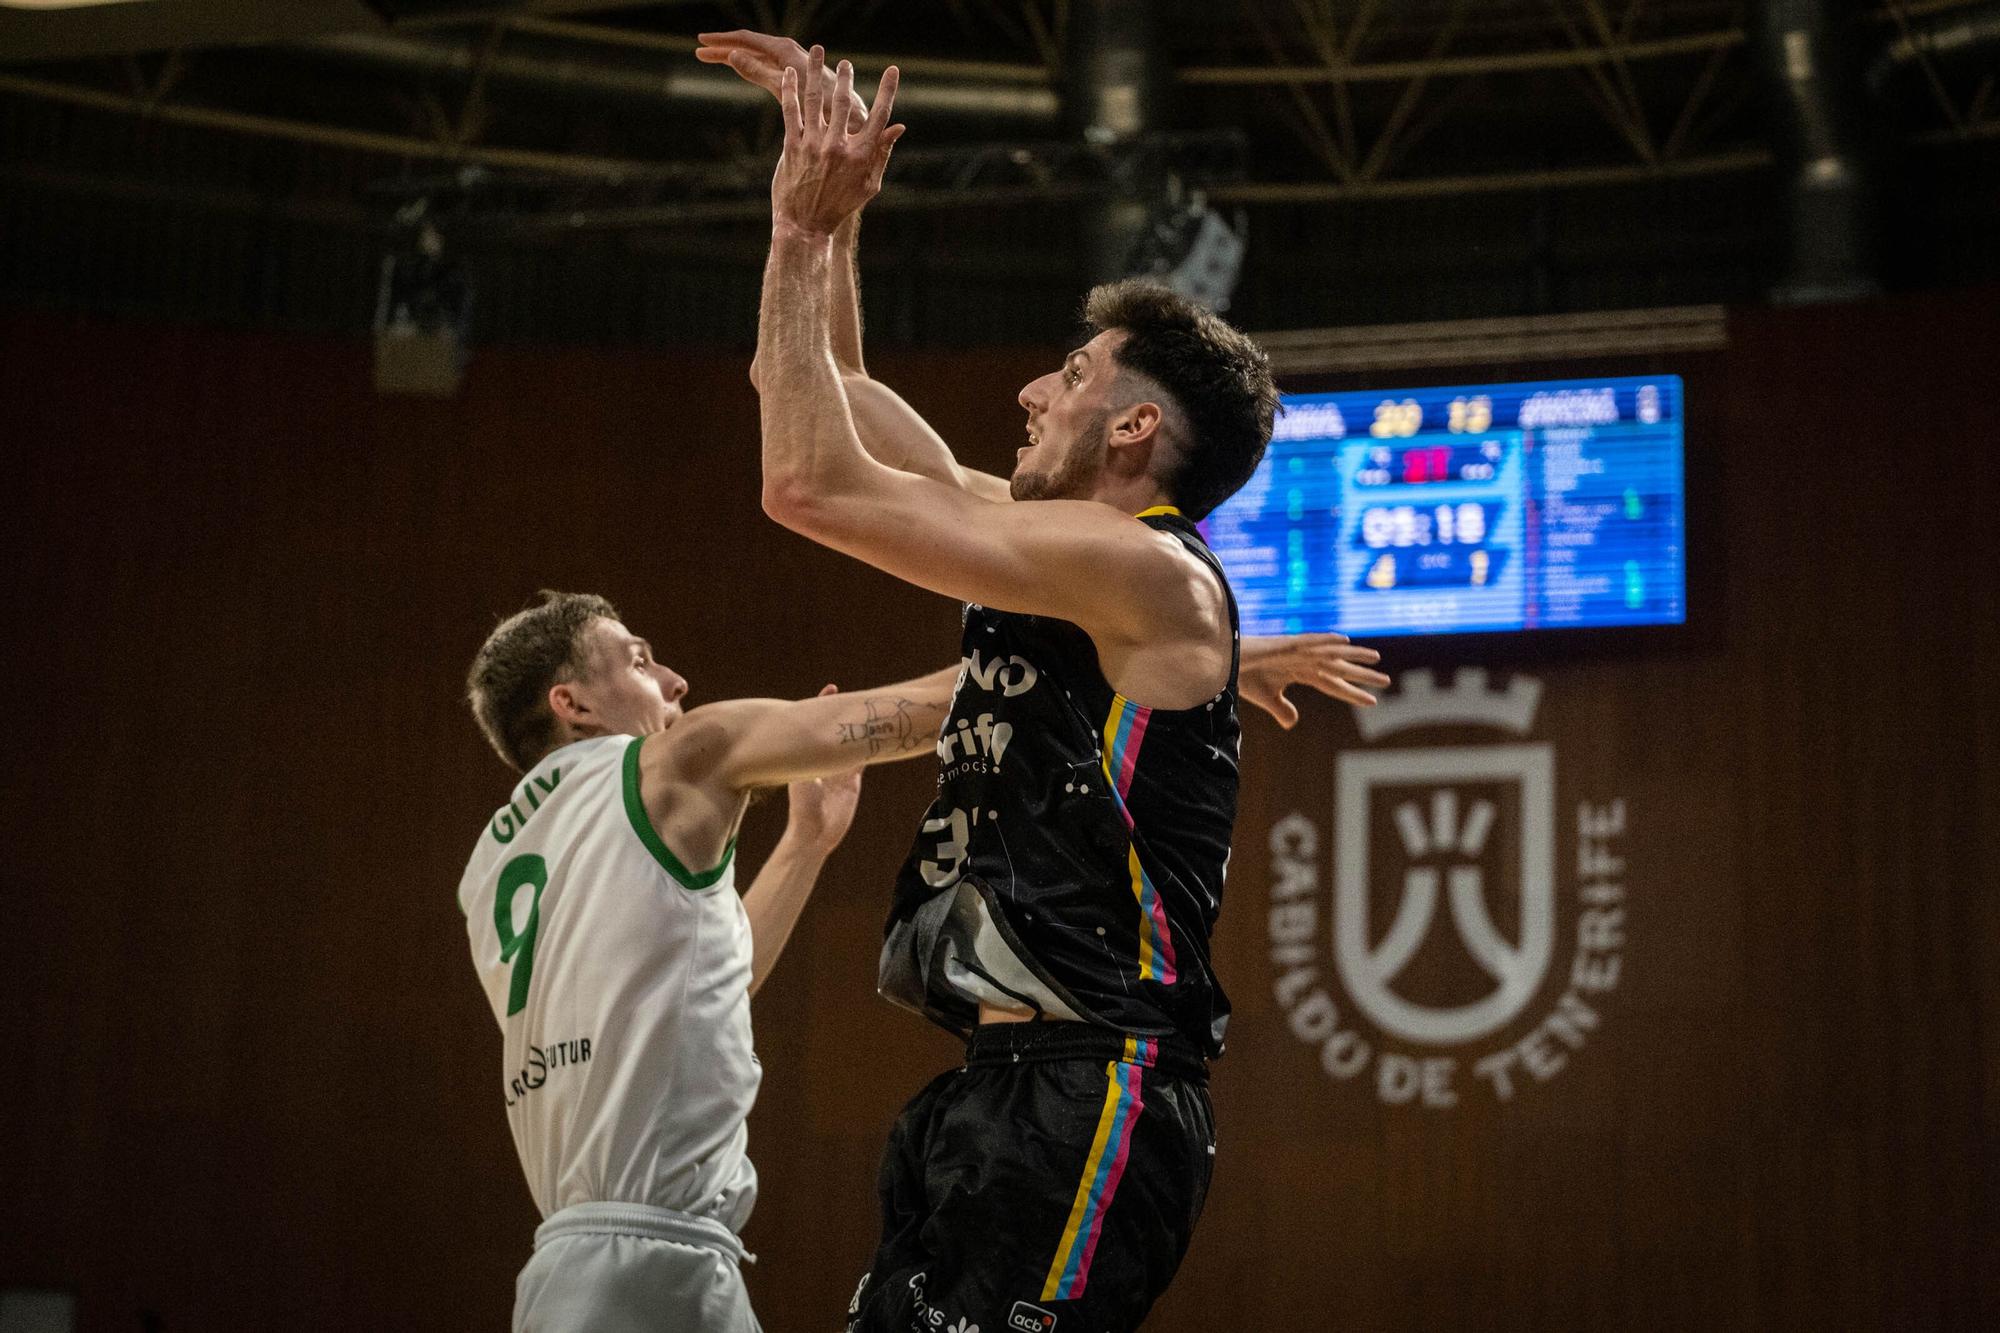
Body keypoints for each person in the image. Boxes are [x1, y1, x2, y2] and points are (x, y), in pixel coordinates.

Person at [696, 36, 1391, 1332]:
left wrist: (796, 226)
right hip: (997, 1083)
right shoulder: (1084, 567)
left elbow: (806, 481)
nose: (1028, 390)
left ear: (1136, 428)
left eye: (1069, 376)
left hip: (1102, 1080)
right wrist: (836, 220)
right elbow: (838, 398)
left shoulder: (1133, 571)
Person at [459, 590, 960, 1333]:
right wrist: (1062, 621)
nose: (674, 681)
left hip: (575, 1265)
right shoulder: (677, 757)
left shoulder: (492, 864)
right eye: (637, 660)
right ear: (574, 704)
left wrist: (804, 844)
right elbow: (912, 711)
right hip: (646, 1263)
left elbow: (696, 983)